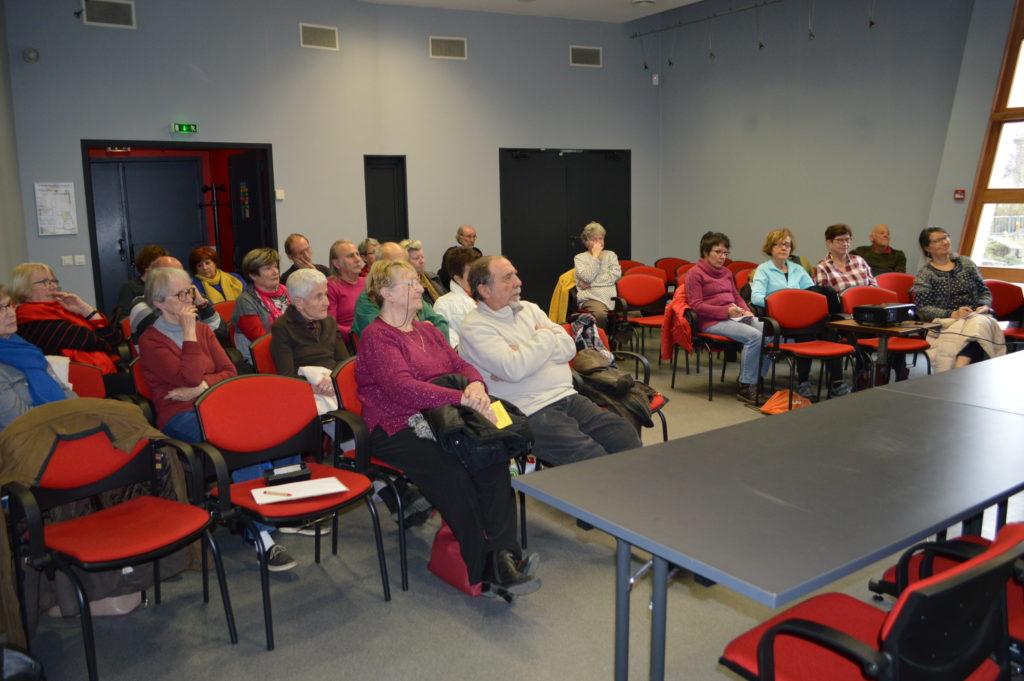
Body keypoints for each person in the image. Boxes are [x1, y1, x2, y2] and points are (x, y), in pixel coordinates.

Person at [355, 259, 539, 597]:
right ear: (386, 293)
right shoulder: (377, 336)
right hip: (397, 425)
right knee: (453, 470)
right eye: (410, 283)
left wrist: (477, 387)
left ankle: (503, 558)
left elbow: (462, 363)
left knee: (491, 456)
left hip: (446, 417)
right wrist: (462, 396)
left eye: (418, 282)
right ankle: (480, 565)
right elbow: (402, 388)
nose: (420, 288)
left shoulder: (426, 329)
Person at [138, 268, 296, 570]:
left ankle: (277, 507)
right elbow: (189, 373)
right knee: (241, 438)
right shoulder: (152, 340)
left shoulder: (204, 330)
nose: (190, 300)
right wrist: (187, 334)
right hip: (180, 416)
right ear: (158, 302)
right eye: (181, 294)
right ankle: (261, 534)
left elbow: (230, 372)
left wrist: (200, 387)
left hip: (218, 404)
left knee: (275, 424)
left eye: (190, 292)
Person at [458, 255, 642, 465]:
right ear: (484, 290)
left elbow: (568, 348)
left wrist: (526, 353)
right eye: (507, 278)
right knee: (590, 456)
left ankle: (626, 493)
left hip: (567, 396)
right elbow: (515, 369)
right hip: (528, 410)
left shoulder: (530, 309)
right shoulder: (475, 326)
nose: (518, 282)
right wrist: (544, 337)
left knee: (623, 434)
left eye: (515, 275)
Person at [751, 229, 849, 398]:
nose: (784, 248)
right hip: (779, 318)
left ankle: (836, 383)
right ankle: (804, 383)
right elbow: (756, 297)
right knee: (809, 329)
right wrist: (782, 302)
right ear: (770, 247)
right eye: (779, 244)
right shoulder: (763, 269)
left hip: (801, 317)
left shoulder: (797, 269)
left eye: (787, 244)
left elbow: (810, 293)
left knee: (827, 321)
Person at [11, 262, 125, 389]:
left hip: (97, 373)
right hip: (77, 383)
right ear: (24, 290)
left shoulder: (63, 308)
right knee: (133, 381)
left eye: (53, 281)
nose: (53, 286)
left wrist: (85, 310)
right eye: (44, 282)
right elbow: (91, 340)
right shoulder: (29, 318)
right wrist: (104, 342)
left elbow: (114, 338)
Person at [684, 232, 768, 403]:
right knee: (754, 337)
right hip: (710, 321)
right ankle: (746, 385)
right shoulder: (695, 274)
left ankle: (756, 377)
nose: (722, 256)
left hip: (733, 315)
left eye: (725, 253)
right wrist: (726, 313)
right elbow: (696, 306)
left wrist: (747, 311)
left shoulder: (726, 273)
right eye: (718, 252)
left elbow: (736, 297)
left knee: (770, 331)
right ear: (706, 252)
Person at [912, 227, 1005, 371]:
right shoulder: (925, 274)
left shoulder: (966, 264)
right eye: (937, 240)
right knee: (971, 334)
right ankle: (960, 371)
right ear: (927, 248)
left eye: (945, 237)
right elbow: (923, 308)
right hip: (947, 320)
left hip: (975, 314)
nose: (944, 242)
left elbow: (984, 291)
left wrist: (984, 305)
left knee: (978, 326)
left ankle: (959, 369)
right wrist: (952, 314)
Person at [0, 285, 76, 430]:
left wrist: (82, 413)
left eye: (9, 305)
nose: (10, 313)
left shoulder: (26, 350)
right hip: (28, 441)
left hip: (60, 425)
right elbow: (19, 423)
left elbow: (63, 390)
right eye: (0, 309)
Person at [351, 242, 450, 341]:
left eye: (405, 263)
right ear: (379, 266)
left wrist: (424, 333)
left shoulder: (411, 293)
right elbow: (386, 338)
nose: (402, 268)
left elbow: (440, 323)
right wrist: (425, 329)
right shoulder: (369, 299)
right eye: (394, 264)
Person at [270, 268, 349, 383]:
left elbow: (343, 362)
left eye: (326, 294)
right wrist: (318, 385)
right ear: (299, 303)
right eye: (319, 296)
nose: (327, 302)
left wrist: (333, 381)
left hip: (335, 381)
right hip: (307, 388)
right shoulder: (282, 328)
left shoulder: (329, 321)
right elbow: (288, 376)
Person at [130, 256, 225, 349]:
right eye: (174, 274)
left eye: (182, 272)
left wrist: (202, 304)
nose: (182, 277)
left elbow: (222, 335)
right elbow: (178, 345)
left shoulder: (193, 297)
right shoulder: (142, 306)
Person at [231, 248, 291, 362]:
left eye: (275, 266)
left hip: (291, 349)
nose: (275, 272)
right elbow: (261, 340)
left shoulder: (287, 291)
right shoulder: (245, 301)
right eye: (268, 268)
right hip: (264, 356)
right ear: (253, 275)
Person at [573, 221, 622, 330]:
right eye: (594, 239)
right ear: (586, 242)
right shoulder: (580, 258)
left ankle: (617, 338)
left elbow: (615, 275)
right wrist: (595, 258)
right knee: (600, 314)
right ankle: (600, 342)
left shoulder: (611, 255)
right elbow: (587, 277)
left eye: (600, 238)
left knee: (634, 312)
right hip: (591, 297)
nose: (598, 242)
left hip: (611, 296)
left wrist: (590, 283)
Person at [432, 247, 480, 349]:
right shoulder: (443, 304)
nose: (477, 276)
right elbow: (451, 345)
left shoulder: (489, 295)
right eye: (471, 274)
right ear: (458, 278)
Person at [813, 224, 877, 294]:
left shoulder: (859, 261)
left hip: (867, 302)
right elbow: (823, 296)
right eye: (840, 240)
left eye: (847, 239)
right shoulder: (823, 266)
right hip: (841, 304)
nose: (845, 244)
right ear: (829, 243)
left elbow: (874, 285)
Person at [325, 239, 364, 347]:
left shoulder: (367, 282)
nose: (357, 259)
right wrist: (354, 332)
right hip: (348, 343)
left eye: (358, 254)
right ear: (337, 263)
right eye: (350, 256)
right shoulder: (330, 286)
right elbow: (330, 325)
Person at [114, 244, 168, 320]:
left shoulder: (166, 286)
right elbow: (123, 319)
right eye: (158, 264)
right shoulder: (130, 287)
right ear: (146, 266)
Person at [400, 239, 445, 304]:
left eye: (422, 257)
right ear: (405, 261)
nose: (422, 261)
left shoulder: (433, 277)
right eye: (416, 258)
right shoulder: (404, 285)